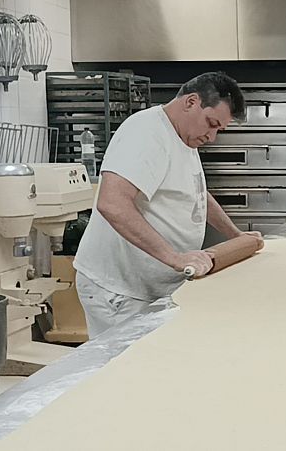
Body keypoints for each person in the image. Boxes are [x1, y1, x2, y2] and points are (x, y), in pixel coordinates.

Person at [73, 72, 264, 338]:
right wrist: (174, 258)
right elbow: (112, 203)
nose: (212, 137)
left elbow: (197, 194)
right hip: (121, 290)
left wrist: (237, 237)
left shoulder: (184, 135)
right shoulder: (147, 133)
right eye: (211, 124)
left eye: (218, 129)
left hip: (153, 288)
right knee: (126, 374)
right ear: (191, 102)